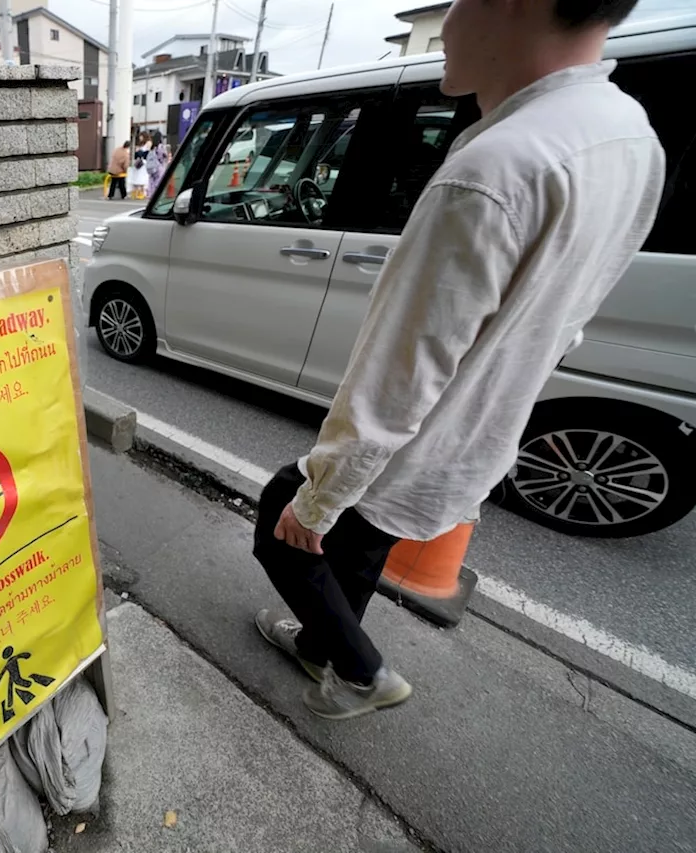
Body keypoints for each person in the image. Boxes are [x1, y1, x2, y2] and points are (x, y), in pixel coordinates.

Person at [252, 0, 663, 721]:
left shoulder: (493, 170)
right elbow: (574, 313)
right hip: (486, 425)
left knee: (283, 521)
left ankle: (361, 671)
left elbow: (396, 378)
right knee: (360, 548)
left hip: (418, 435)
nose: (445, 27)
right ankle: (321, 648)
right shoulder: (633, 137)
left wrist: (317, 496)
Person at [128, 133, 151, 198]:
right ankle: (138, 191)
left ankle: (143, 191)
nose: (140, 138)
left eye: (141, 136)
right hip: (139, 161)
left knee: (143, 176)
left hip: (144, 162)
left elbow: (147, 152)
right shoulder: (140, 144)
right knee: (138, 176)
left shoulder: (148, 143)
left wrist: (139, 152)